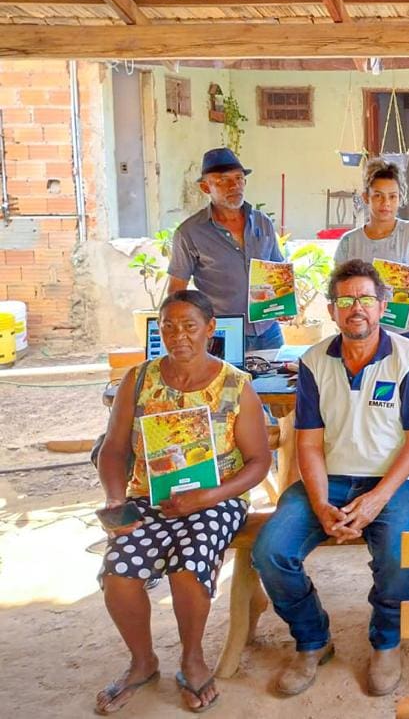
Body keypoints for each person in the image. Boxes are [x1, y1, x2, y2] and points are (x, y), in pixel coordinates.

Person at [252, 259, 409, 698]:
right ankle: (313, 639)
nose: (357, 308)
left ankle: (386, 641)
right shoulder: (314, 361)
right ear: (333, 309)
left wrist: (375, 500)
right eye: (347, 300)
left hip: (393, 483)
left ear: (382, 307)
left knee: (397, 556)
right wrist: (319, 503)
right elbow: (309, 444)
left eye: (366, 299)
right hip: (329, 480)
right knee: (271, 550)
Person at [94, 290, 271, 714]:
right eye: (168, 327)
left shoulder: (235, 385)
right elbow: (113, 449)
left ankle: (192, 659)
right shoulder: (138, 381)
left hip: (215, 500)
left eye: (190, 326)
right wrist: (117, 500)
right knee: (119, 571)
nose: (179, 336)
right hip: (147, 498)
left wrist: (210, 495)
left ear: (210, 329)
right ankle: (142, 663)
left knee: (189, 566)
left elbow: (260, 460)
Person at [168, 148, 287, 351]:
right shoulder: (189, 232)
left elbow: (277, 269)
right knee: (225, 383)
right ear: (206, 187)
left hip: (268, 330)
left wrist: (284, 303)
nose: (234, 185)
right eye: (222, 180)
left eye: (239, 178)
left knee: (275, 382)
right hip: (222, 332)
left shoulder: (262, 222)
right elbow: (177, 289)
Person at [334, 157, 409, 349]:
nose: (386, 203)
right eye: (378, 195)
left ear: (400, 198)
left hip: (406, 331)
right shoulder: (349, 242)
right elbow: (339, 291)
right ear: (366, 197)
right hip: (361, 332)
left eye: (392, 196)